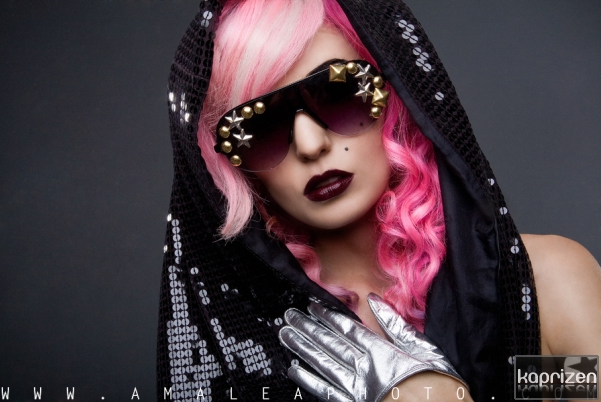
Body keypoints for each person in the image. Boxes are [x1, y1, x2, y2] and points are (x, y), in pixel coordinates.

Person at [157, 0, 601, 401]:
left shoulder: (541, 287)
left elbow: (541, 386)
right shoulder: (242, 346)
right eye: (261, 127)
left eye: (337, 93)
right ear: (232, 167)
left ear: (395, 96)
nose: (311, 145)